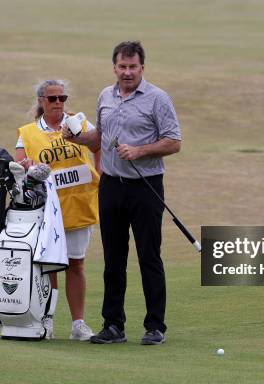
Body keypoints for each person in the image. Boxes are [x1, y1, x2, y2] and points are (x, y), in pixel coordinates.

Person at [62, 41, 181, 345]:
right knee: (114, 259)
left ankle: (155, 327)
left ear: (142, 67)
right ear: (114, 67)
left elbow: (173, 141)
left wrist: (140, 150)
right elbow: (99, 138)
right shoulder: (106, 96)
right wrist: (76, 138)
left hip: (146, 187)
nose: (127, 72)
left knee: (148, 256)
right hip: (112, 185)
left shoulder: (158, 99)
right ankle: (113, 325)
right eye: (122, 67)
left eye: (133, 67)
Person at [15, 79, 100, 341]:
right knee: (48, 266)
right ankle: (47, 320)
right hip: (47, 210)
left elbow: (99, 145)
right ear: (41, 101)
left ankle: (78, 324)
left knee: (76, 264)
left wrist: (102, 173)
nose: (58, 103)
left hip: (79, 206)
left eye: (62, 98)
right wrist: (27, 166)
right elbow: (19, 164)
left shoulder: (80, 124)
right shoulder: (29, 132)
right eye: (52, 99)